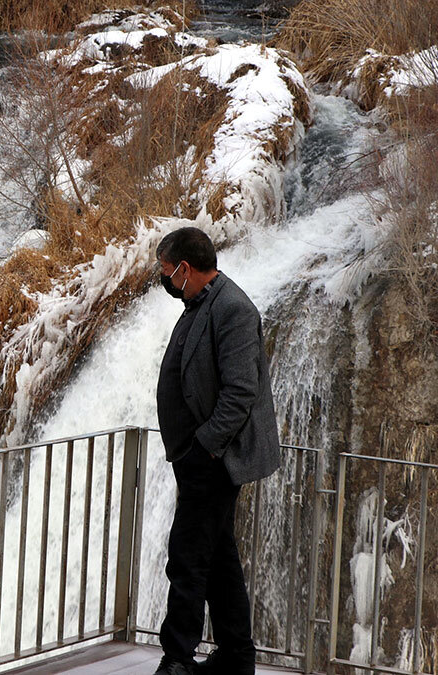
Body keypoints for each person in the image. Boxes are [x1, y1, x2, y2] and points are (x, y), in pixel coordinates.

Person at [152, 227, 280, 675]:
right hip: (197, 460)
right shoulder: (200, 302)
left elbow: (242, 391)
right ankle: (237, 655)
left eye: (166, 271)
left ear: (185, 269)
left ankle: (177, 659)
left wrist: (202, 448)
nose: (164, 279)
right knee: (220, 560)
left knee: (187, 558)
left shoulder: (233, 309)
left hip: (214, 461)